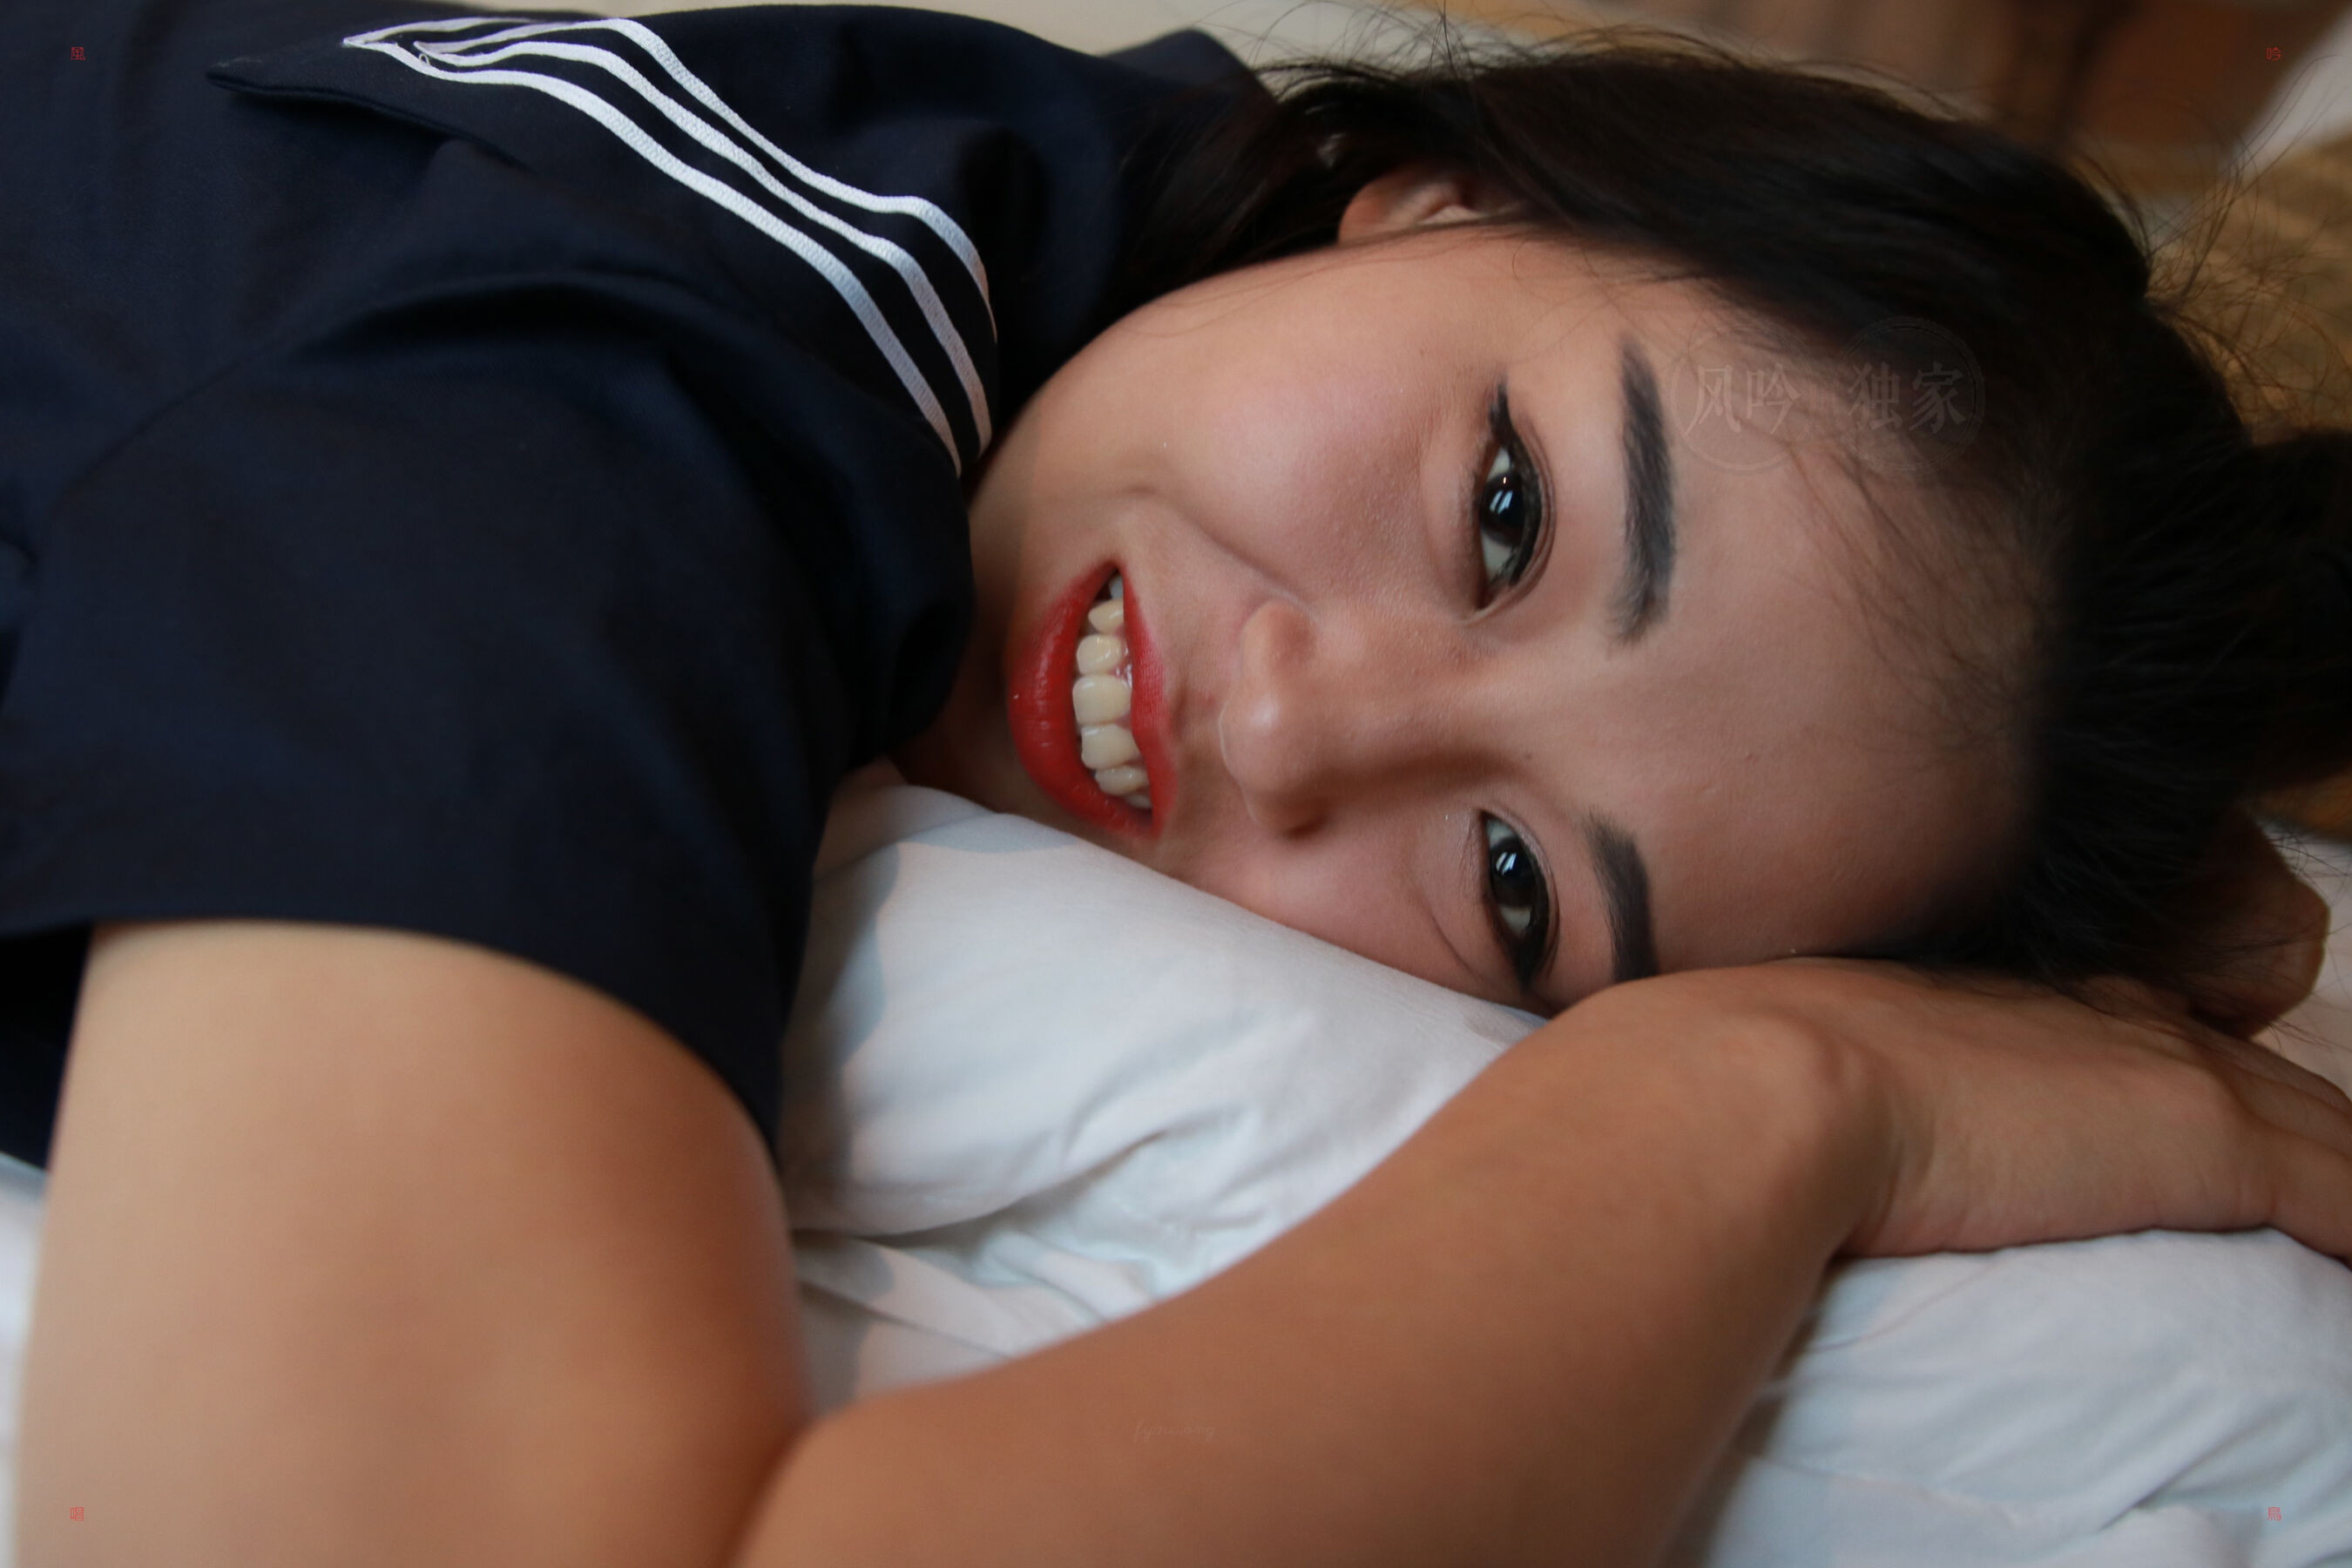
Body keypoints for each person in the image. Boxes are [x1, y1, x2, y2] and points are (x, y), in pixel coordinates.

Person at [3, 1, 2347, 1564]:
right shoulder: (559, 439)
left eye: (1515, 886)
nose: (1303, 731)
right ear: (1449, 194)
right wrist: (1775, 1100)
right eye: (1505, 515)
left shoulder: (1022, 230)